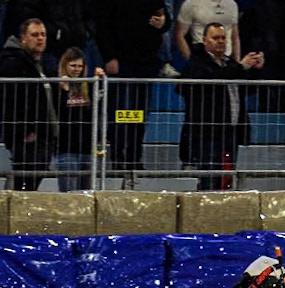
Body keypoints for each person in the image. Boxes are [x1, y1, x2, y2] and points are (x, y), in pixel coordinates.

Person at [178, 22, 264, 190]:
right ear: (205, 40)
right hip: (208, 133)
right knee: (209, 179)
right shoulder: (197, 64)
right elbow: (210, 82)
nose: (220, 41)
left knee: (226, 180)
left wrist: (255, 69)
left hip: (231, 131)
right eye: (215, 37)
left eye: (223, 37)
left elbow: (248, 89)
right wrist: (241, 67)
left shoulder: (229, 64)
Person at [94, 0, 171, 171]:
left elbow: (165, 19)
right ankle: (118, 155)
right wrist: (109, 57)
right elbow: (102, 26)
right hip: (121, 62)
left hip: (146, 62)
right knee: (121, 110)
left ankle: (134, 155)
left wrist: (163, 23)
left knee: (140, 111)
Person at [0, 18, 57, 191]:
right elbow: (9, 101)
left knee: (31, 184)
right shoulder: (12, 63)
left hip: (43, 135)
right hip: (27, 137)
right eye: (34, 35)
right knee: (24, 185)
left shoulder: (43, 65)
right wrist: (24, 130)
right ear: (23, 38)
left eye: (43, 35)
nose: (40, 39)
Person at [55, 47, 103, 192]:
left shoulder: (86, 86)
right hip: (66, 149)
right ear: (65, 65)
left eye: (80, 66)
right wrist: (64, 92)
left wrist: (97, 82)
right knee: (69, 196)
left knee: (86, 196)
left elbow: (94, 113)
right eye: (73, 66)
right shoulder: (56, 85)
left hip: (87, 149)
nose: (77, 69)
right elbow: (57, 113)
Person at [175, 0, 240, 61]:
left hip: (226, 59)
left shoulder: (232, 4)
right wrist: (191, 61)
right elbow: (179, 35)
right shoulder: (191, 4)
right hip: (202, 59)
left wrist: (237, 63)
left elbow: (235, 37)